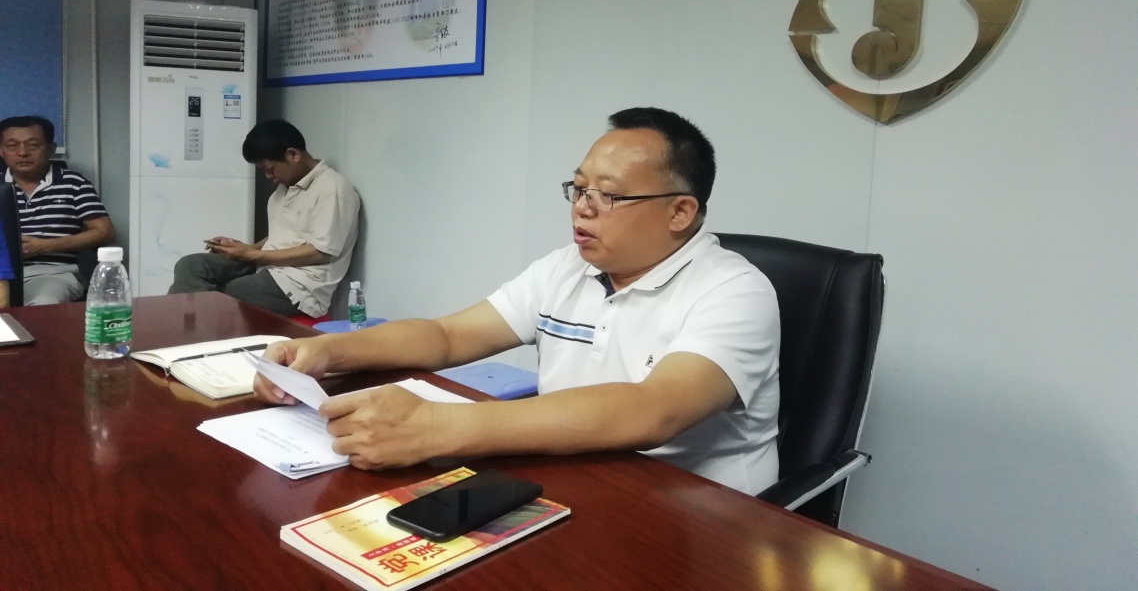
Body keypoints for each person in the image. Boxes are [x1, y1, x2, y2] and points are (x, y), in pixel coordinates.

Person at [255, 107, 782, 495]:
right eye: (578, 189)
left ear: (680, 212)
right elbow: (448, 336)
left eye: (608, 195)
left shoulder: (735, 291)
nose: (583, 209)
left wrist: (438, 427)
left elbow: (653, 411)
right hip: (575, 481)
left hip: (700, 514)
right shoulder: (567, 268)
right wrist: (326, 353)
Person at [168, 119, 360, 319]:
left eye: (270, 168)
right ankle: (181, 326)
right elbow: (281, 236)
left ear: (293, 154)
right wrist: (243, 249)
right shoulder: (284, 189)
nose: (268, 176)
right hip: (268, 266)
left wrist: (251, 255)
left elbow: (320, 253)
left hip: (298, 285)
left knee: (229, 291)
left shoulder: (332, 189)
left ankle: (184, 327)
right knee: (191, 265)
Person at [0, 115, 115, 305]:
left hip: (53, 273)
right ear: (1, 151)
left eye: (33, 145)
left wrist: (44, 246)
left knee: (43, 304)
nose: (23, 152)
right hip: (3, 273)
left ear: (51, 148)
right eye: (12, 146)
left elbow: (104, 232)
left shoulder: (73, 183)